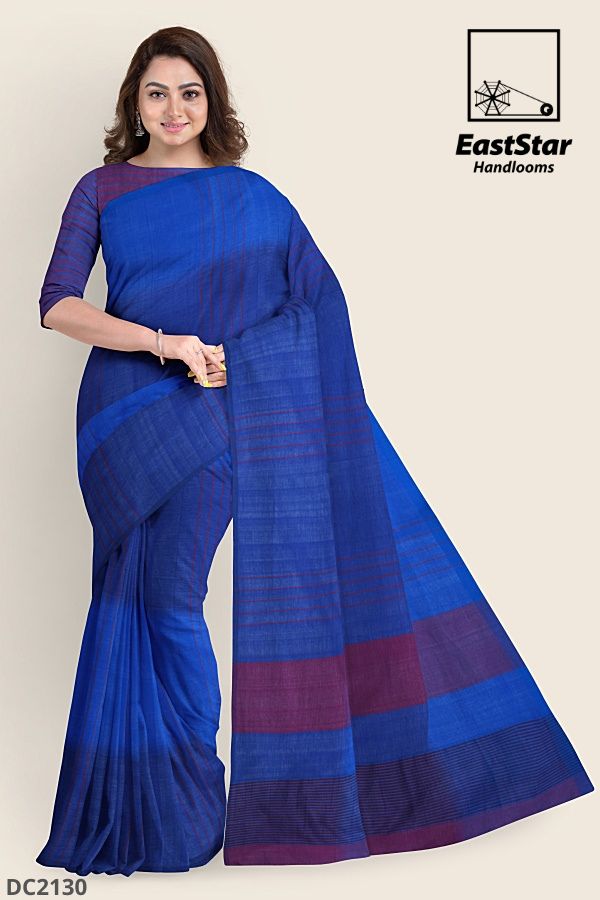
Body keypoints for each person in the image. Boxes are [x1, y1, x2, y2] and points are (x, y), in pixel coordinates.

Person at [35, 25, 594, 878]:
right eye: (157, 92)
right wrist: (163, 342)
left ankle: (185, 804)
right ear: (134, 104)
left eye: (190, 92)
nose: (175, 109)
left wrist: (239, 359)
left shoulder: (256, 198)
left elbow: (319, 308)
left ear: (212, 101)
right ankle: (155, 806)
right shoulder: (101, 189)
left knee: (171, 599)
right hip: (122, 419)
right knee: (138, 598)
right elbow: (57, 305)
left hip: (218, 415)